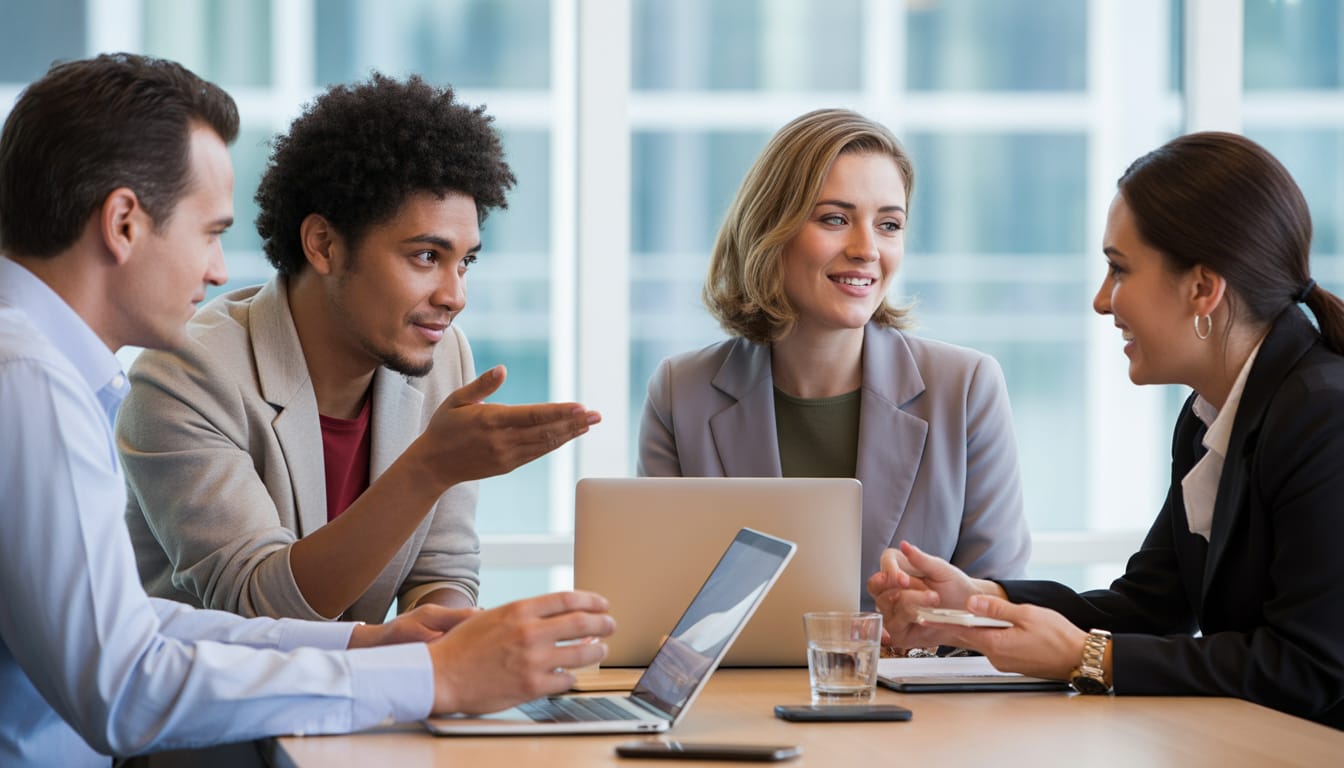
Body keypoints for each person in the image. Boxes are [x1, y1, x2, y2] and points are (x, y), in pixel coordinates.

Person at [0, 53, 612, 767]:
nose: (220, 267)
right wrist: (427, 675)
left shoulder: (46, 371)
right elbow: (129, 683)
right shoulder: (33, 378)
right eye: (208, 232)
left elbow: (132, 629)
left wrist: (378, 643)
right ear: (125, 223)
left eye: (465, 261)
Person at [867, 131, 1344, 728]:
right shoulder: (1209, 417)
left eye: (1119, 269)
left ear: (1202, 288)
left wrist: (1086, 658)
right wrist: (981, 602)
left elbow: (1309, 667)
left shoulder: (1324, 416)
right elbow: (1150, 606)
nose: (1101, 300)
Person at [116, 74, 598, 623]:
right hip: (220, 704)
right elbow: (257, 604)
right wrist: (429, 468)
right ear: (324, 244)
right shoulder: (186, 375)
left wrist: (458, 639)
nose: (455, 295)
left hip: (372, 700)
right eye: (425, 257)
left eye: (466, 261)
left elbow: (441, 569)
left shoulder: (442, 355)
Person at [637, 108, 1031, 609]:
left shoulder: (967, 387)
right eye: (835, 219)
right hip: (737, 687)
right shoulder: (680, 392)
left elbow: (997, 602)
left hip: (916, 685)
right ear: (769, 228)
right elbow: (663, 600)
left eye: (889, 224)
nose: (867, 249)